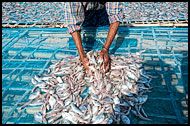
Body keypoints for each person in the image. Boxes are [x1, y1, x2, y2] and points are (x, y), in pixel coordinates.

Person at [64, 2, 124, 74]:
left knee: (103, 34)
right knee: (76, 48)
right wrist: (82, 55)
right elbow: (73, 24)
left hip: (102, 12)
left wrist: (105, 49)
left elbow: (115, 16)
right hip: (85, 14)